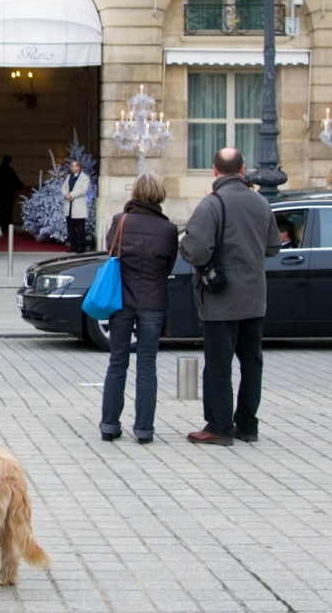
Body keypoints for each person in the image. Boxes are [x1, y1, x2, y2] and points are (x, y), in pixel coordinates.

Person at [180, 148, 281, 446]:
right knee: (252, 363)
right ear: (244, 168)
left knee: (219, 364)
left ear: (214, 170)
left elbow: (195, 250)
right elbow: (273, 246)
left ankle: (220, 426)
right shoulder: (261, 203)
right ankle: (247, 424)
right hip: (255, 297)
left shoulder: (211, 205)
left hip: (221, 297)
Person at [99, 171, 179, 444]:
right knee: (147, 365)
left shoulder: (121, 221)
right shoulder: (168, 229)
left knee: (117, 361)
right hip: (153, 302)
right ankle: (144, 428)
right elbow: (168, 266)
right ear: (159, 194)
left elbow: (110, 250)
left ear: (135, 192)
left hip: (121, 300)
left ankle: (109, 424)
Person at [63, 158, 92, 253]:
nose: (71, 168)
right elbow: (63, 187)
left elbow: (83, 190)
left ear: (78, 167)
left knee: (80, 229)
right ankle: (73, 246)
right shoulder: (68, 177)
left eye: (73, 166)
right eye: (71, 166)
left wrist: (71, 195)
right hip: (69, 207)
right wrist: (66, 194)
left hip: (78, 207)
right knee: (71, 229)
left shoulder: (84, 178)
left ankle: (81, 247)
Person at [0, 155, 24, 229]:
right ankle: (6, 226)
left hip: (0, 193)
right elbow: (17, 181)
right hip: (9, 193)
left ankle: (0, 225)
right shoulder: (10, 170)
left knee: (0, 209)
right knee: (8, 211)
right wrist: (20, 186)